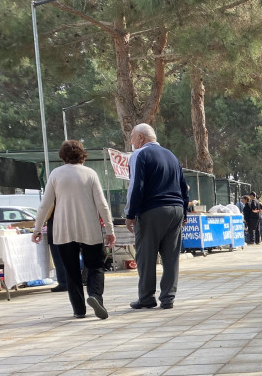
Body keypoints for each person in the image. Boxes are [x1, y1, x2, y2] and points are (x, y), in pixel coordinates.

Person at [32, 140, 116, 319]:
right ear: (82, 155)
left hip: (63, 229)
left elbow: (45, 204)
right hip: (89, 227)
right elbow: (102, 204)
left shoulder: (56, 174)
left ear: (63, 156)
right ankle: (95, 296)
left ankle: (79, 310)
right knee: (95, 266)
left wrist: (37, 228)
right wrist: (110, 230)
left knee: (71, 270)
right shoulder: (90, 174)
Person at [124, 123, 190, 310]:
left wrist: (130, 213)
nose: (131, 141)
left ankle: (146, 297)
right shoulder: (172, 156)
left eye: (132, 137)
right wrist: (184, 213)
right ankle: (168, 298)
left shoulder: (140, 154)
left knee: (146, 255)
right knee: (171, 257)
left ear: (141, 138)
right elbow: (183, 187)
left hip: (152, 210)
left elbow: (136, 186)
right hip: (176, 209)